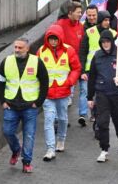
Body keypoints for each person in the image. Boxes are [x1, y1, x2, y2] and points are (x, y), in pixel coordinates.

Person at [0, 37, 49, 174]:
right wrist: (3, 101)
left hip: (29, 106)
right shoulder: (6, 61)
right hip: (11, 105)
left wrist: (38, 102)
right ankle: (16, 150)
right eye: (15, 47)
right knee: (7, 131)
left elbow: (44, 82)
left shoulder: (36, 62)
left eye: (20, 48)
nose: (17, 50)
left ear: (27, 48)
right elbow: (0, 82)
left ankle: (27, 162)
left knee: (29, 135)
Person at [88, 29, 118, 162]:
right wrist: (90, 97)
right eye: (103, 42)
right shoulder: (97, 56)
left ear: (112, 42)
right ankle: (104, 149)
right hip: (102, 93)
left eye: (108, 41)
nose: (105, 44)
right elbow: (92, 77)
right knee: (102, 122)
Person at [36, 23, 80, 161]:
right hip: (47, 93)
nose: (53, 41)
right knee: (48, 120)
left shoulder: (69, 51)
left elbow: (76, 68)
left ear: (60, 38)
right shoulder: (41, 52)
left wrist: (69, 82)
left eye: (55, 39)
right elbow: (36, 71)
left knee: (62, 118)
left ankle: (61, 140)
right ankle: (50, 148)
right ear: (47, 39)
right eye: (51, 39)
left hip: (63, 91)